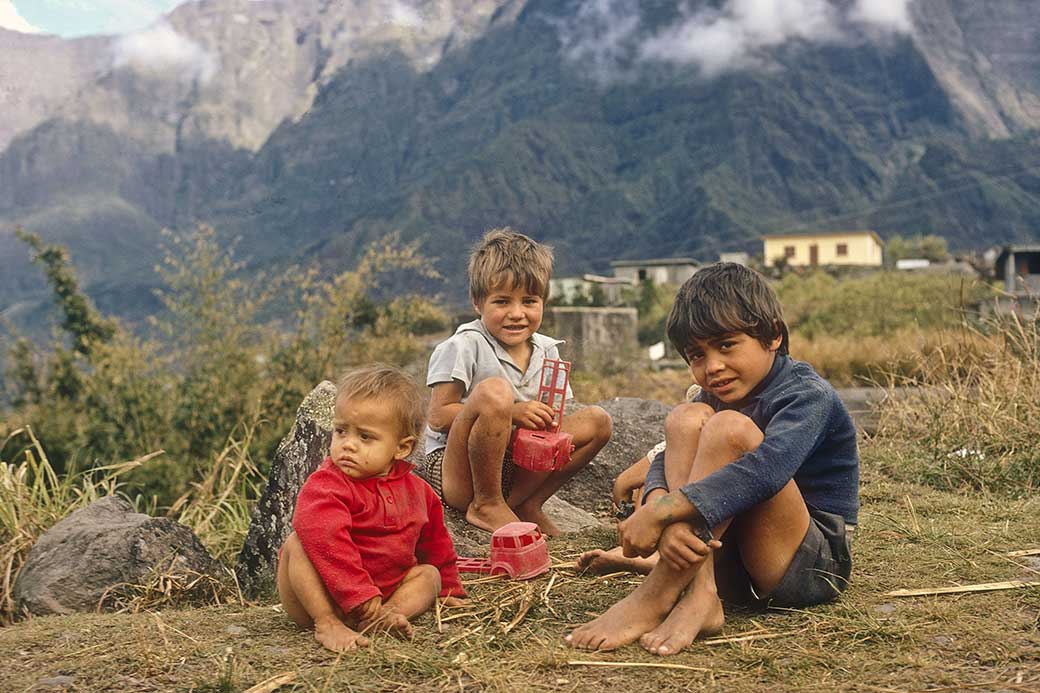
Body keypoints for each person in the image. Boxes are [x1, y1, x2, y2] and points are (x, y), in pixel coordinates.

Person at [567, 262, 859, 656]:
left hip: (805, 566)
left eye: (726, 345)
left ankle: (658, 590)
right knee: (685, 418)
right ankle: (701, 590)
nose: (713, 367)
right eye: (697, 355)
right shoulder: (715, 396)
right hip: (730, 560)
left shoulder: (807, 396)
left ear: (772, 335)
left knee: (727, 430)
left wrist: (664, 513)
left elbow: (765, 472)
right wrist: (657, 505)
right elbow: (665, 459)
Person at [421, 228, 613, 535]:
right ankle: (486, 504)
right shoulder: (464, 345)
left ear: (543, 302)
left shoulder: (548, 351)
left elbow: (554, 426)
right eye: (501, 302)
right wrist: (510, 411)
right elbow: (438, 416)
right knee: (496, 392)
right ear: (477, 302)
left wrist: (544, 422)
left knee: (598, 421)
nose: (516, 314)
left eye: (529, 301)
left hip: (515, 468)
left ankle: (526, 503)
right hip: (461, 472)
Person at [277, 365, 466, 653]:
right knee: (298, 544)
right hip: (323, 597)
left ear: (401, 448)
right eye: (341, 431)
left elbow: (436, 545)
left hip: (381, 595)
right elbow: (327, 542)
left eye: (365, 437)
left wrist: (449, 588)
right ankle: (327, 624)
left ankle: (385, 617)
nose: (348, 445)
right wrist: (356, 595)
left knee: (430, 575)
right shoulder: (326, 485)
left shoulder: (419, 492)